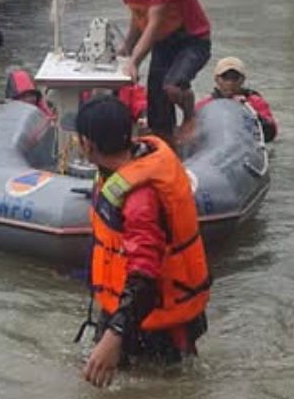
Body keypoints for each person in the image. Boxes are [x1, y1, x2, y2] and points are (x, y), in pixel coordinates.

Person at [76, 96, 210, 388]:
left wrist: (114, 336)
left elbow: (145, 277)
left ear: (87, 144)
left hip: (153, 323)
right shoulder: (125, 170)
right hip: (134, 311)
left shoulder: (140, 199)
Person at [97, 0, 211, 145]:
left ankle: (189, 116)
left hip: (192, 40)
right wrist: (125, 52)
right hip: (163, 42)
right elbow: (138, 18)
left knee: (172, 86)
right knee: (157, 106)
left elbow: (155, 21)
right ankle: (165, 146)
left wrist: (134, 61)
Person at [196, 57, 278, 143]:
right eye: (225, 77)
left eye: (235, 77)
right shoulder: (204, 105)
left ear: (242, 79)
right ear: (217, 79)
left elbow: (271, 133)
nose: (230, 82)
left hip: (245, 147)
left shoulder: (255, 102)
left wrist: (249, 112)